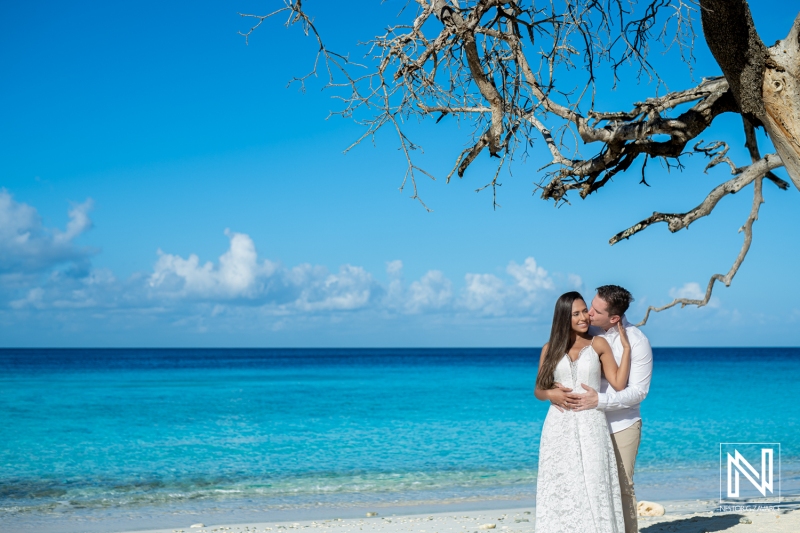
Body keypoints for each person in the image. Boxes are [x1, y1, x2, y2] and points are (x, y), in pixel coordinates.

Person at [534, 291, 632, 533]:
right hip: (559, 426)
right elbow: (538, 389)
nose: (583, 317)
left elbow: (619, 384)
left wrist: (626, 349)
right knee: (562, 484)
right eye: (575, 313)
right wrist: (551, 395)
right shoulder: (549, 349)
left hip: (591, 423)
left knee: (595, 480)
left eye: (584, 311)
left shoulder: (598, 343)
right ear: (563, 317)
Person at [564, 285, 654, 533]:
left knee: (623, 488)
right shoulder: (587, 331)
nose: (588, 313)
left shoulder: (637, 342)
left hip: (622, 426)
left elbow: (638, 392)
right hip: (589, 423)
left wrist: (599, 401)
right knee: (591, 485)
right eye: (591, 305)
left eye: (596, 310)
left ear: (614, 318)